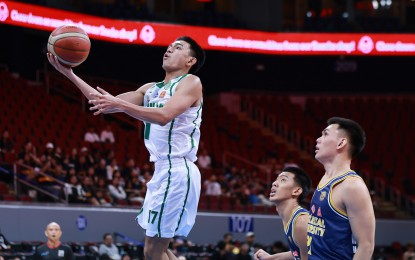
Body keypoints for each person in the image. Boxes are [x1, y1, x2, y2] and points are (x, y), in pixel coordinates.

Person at [47, 35, 205, 260]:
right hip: (161, 170)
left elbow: (164, 116)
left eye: (177, 48)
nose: (169, 50)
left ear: (190, 60)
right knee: (158, 249)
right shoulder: (150, 89)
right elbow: (101, 101)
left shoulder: (191, 82)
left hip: (178, 169)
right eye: (168, 46)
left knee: (153, 250)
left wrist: (119, 103)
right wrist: (69, 73)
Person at [307, 117, 375, 259]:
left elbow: (366, 246)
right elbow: (316, 245)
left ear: (341, 142)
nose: (318, 139)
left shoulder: (352, 186)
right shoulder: (325, 179)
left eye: (325, 134)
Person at [254, 166, 311, 260]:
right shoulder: (292, 218)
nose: (274, 183)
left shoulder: (302, 222)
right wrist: (270, 258)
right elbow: (298, 252)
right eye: (276, 180)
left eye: (283, 180)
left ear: (296, 191)